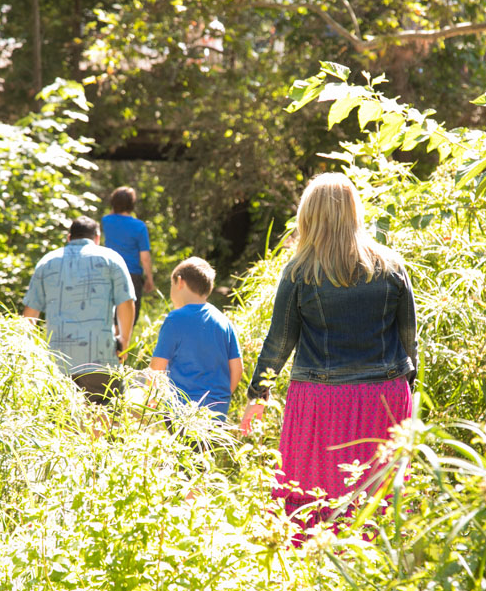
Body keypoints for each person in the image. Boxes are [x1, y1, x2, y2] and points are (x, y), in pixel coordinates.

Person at [239, 173, 417, 523]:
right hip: (384, 398)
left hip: (320, 401)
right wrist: (411, 392)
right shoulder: (392, 265)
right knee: (377, 496)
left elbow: (279, 340)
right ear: (355, 212)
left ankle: (314, 568)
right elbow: (409, 339)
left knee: (313, 495)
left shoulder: (299, 272)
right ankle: (375, 568)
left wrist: (258, 396)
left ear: (309, 216)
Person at [23, 216, 136, 403]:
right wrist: (124, 341)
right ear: (97, 237)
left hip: (57, 363)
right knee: (105, 421)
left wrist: (27, 351)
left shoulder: (47, 262)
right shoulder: (111, 259)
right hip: (100, 358)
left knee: (62, 425)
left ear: (69, 238)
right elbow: (126, 303)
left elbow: (29, 315)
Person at [150, 257, 243, 418]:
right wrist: (221, 398)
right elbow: (237, 368)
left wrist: (152, 396)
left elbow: (157, 366)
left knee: (183, 444)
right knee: (206, 444)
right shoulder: (223, 321)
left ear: (179, 282)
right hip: (216, 412)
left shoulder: (175, 320)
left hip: (180, 411)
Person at [101, 186, 154, 324]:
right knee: (129, 317)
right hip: (132, 275)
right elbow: (145, 257)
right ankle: (122, 345)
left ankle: (113, 344)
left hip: (109, 272)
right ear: (132, 204)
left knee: (111, 315)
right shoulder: (139, 226)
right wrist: (149, 278)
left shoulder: (106, 221)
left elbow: (112, 213)